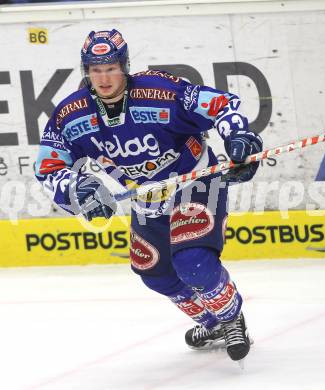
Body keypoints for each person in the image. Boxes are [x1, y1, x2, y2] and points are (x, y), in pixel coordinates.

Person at [35, 29, 262, 364]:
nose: (104, 77)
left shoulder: (161, 90)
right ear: (86, 71)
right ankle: (212, 322)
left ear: (125, 66)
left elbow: (220, 105)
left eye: (111, 67)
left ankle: (231, 319)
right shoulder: (71, 114)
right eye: (96, 70)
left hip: (193, 181)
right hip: (147, 197)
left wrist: (238, 136)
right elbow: (49, 165)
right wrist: (75, 189)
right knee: (154, 272)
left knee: (193, 262)